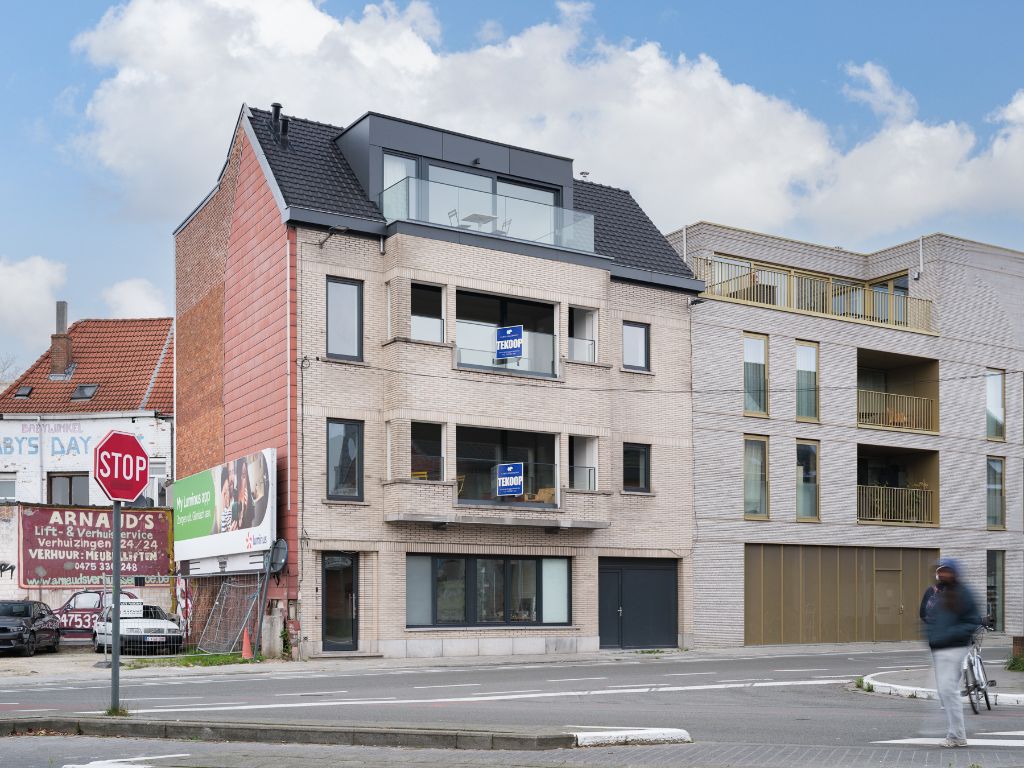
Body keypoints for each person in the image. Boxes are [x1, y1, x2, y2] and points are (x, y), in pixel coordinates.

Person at [919, 557, 982, 748]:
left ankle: (956, 736)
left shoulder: (964, 593)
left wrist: (950, 633)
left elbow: (972, 621)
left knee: (949, 691)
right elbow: (926, 614)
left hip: (954, 647)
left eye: (946, 570)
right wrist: (932, 634)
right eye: (940, 571)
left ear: (954, 572)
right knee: (946, 692)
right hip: (938, 647)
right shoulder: (936, 591)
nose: (942, 574)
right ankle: (955, 733)